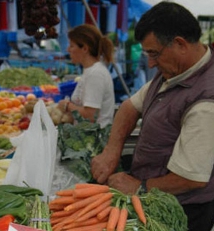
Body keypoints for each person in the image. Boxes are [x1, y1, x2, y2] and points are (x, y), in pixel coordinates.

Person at [90, 2, 214, 230]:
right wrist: (111, 151)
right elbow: (130, 106)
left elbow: (191, 178)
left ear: (180, 44)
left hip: (181, 213)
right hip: (149, 199)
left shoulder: (206, 101)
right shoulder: (174, 71)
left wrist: (140, 187)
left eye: (154, 54)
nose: (150, 63)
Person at [57, 24, 115, 128]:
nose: (68, 50)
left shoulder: (96, 74)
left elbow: (90, 116)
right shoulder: (90, 72)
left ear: (84, 48)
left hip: (94, 141)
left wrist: (67, 106)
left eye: (71, 46)